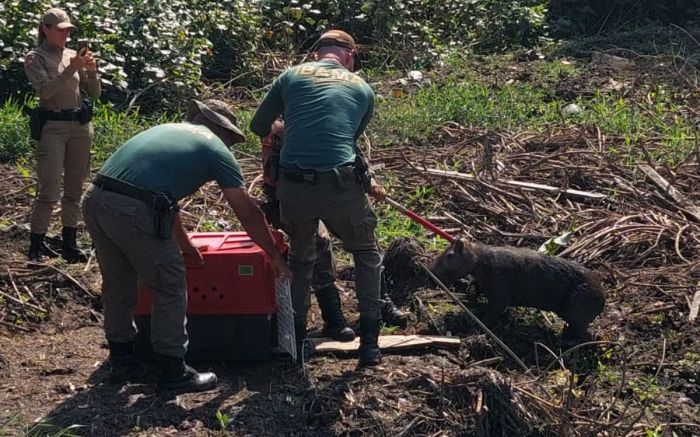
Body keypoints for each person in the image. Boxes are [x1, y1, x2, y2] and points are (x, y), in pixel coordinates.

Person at [82, 99, 291, 393]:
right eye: (230, 137)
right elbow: (248, 212)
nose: (229, 145)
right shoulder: (214, 148)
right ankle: (173, 372)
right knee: (169, 284)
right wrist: (274, 257)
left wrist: (185, 244)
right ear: (220, 128)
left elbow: (166, 201)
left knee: (119, 283)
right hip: (133, 209)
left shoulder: (168, 132)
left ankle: (122, 362)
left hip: (96, 199)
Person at [250, 30, 386, 367]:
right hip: (339, 185)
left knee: (300, 260)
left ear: (316, 55)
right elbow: (347, 142)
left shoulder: (290, 76)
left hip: (294, 188)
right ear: (349, 57)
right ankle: (370, 345)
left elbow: (258, 126)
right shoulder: (362, 88)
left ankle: (295, 345)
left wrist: (285, 126)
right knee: (366, 254)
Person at [260, 121, 355, 342]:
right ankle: (311, 323)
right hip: (290, 199)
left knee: (327, 244)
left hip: (322, 191)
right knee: (316, 244)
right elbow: (272, 177)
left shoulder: (317, 123)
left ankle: (330, 319)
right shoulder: (277, 131)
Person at [24, 8, 101, 263]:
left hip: (79, 126)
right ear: (45, 29)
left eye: (69, 30)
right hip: (53, 127)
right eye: (61, 30)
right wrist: (71, 69)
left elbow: (95, 93)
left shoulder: (71, 55)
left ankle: (70, 243)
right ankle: (37, 244)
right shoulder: (35, 57)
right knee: (49, 186)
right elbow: (45, 92)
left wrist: (90, 70)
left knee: (74, 188)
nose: (66, 35)